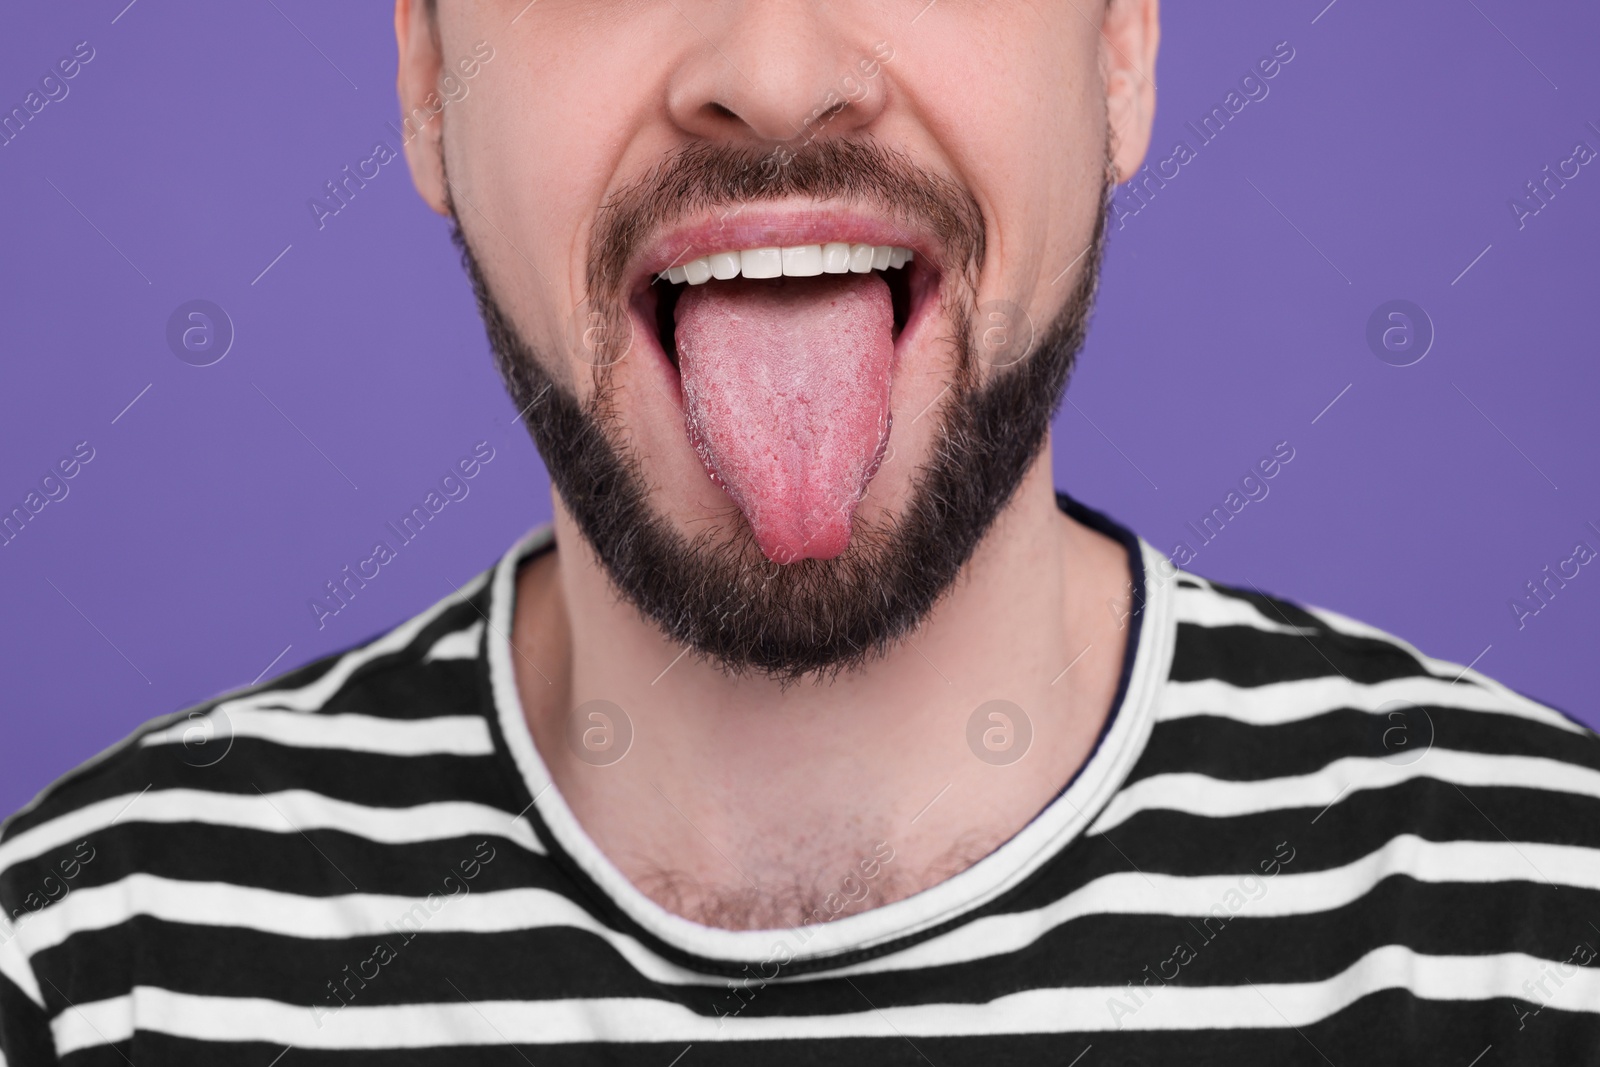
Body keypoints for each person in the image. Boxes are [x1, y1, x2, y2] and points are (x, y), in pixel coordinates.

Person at [3, 0, 1598, 1062]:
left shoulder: (1544, 934)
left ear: (1119, 48)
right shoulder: (88, 974)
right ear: (428, 86)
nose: (771, 73)